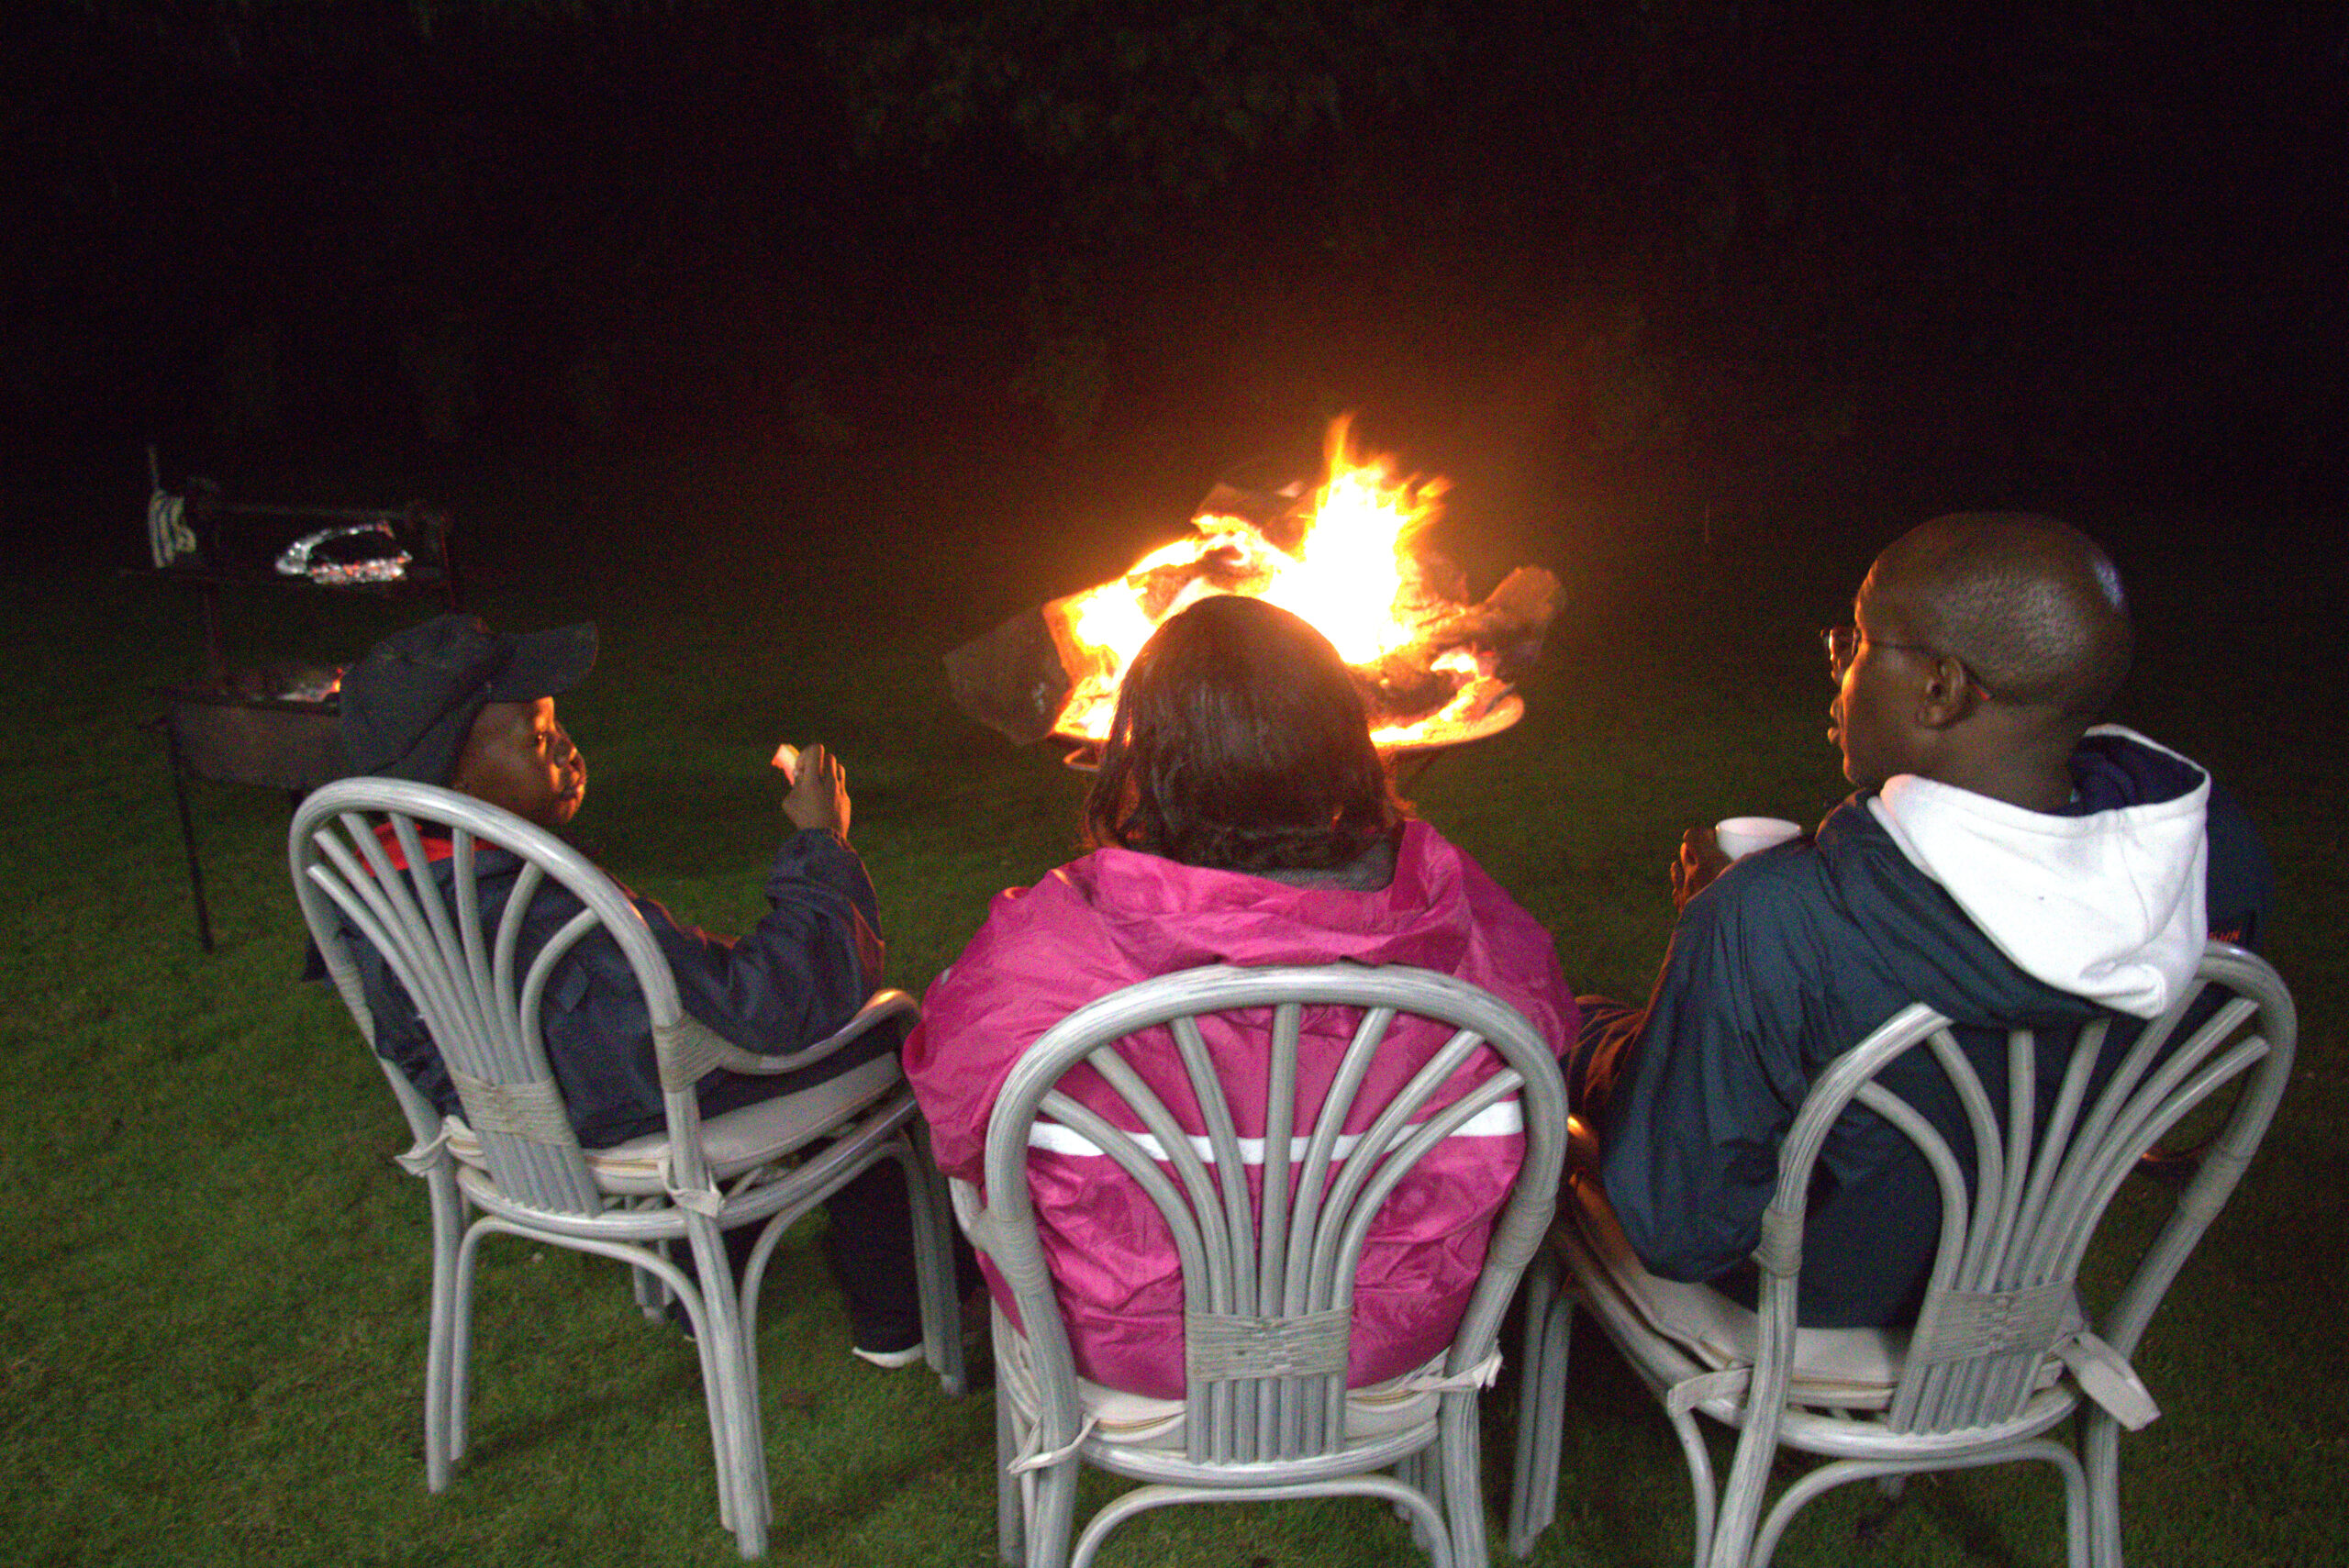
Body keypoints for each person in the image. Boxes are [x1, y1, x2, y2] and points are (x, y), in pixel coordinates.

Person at [1571, 512, 2273, 1328]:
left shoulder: (1771, 921)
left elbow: (1681, 1226)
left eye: (1856, 643)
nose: (1840, 669)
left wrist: (1716, 942)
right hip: (2025, 1272)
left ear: (1940, 689)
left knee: (1573, 1032)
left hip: (1822, 1285)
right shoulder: (2214, 857)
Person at [905, 594, 1578, 1399]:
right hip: (1388, 1338)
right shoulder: (1464, 924)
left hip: (1125, 1348)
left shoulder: (1049, 949)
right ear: (1347, 742)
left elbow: (956, 1122)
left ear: (1144, 757)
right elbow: (1548, 1057)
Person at [331, 612, 928, 1366]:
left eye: (558, 725)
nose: (567, 747)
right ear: (453, 777)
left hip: (504, 1125)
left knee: (677, 1040)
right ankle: (899, 1315)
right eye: (537, 738)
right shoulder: (543, 903)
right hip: (618, 1117)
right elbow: (775, 1005)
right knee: (882, 1033)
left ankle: (702, 1285)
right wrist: (821, 843)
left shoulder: (380, 883)